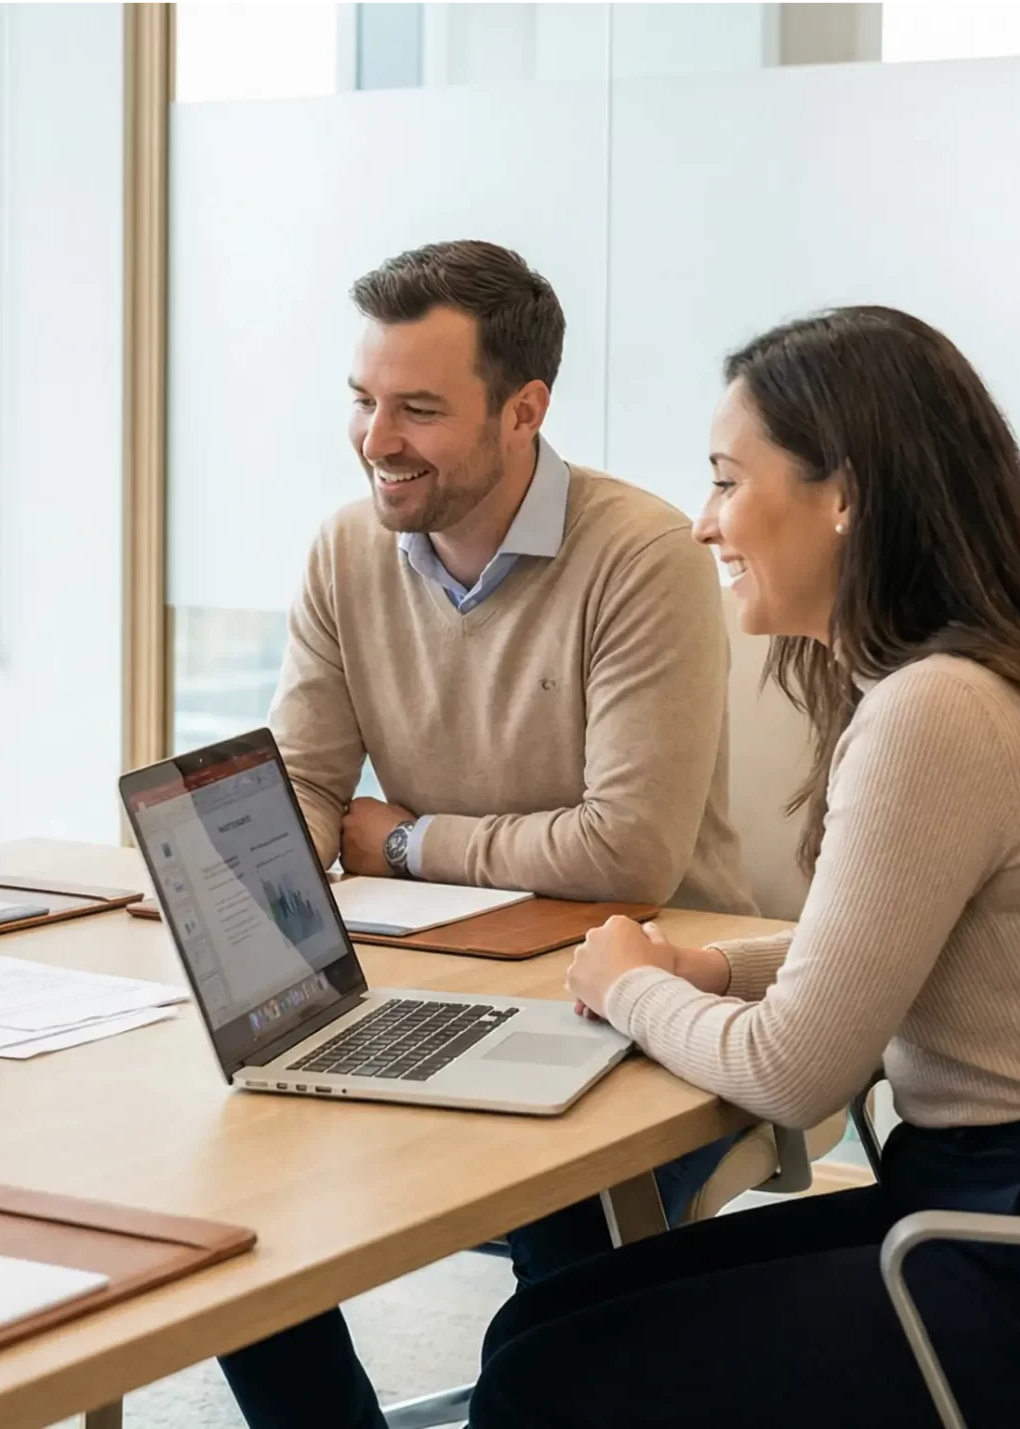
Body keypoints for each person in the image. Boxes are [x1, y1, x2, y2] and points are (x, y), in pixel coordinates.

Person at [473, 306, 1020, 1426]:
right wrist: (726, 971)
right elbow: (902, 940)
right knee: (538, 1324)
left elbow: (795, 1074)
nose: (703, 524)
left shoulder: (934, 710)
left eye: (723, 480)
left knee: (544, 1376)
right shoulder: (979, 676)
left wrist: (629, 985)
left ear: (841, 496)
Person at [216, 240, 757, 1428]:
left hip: (631, 1002)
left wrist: (403, 842)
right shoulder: (345, 549)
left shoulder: (641, 554)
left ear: (524, 411)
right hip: (423, 976)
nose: (375, 439)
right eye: (362, 401)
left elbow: (625, 854)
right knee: (228, 1199)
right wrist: (273, 879)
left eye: (417, 408)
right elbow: (303, 783)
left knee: (557, 1299)